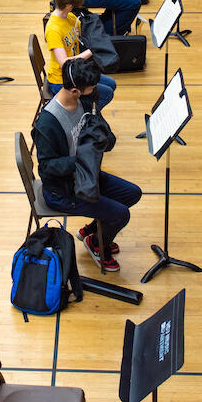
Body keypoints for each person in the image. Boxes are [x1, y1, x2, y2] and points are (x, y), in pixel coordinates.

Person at [32, 57, 140, 272]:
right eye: (91, 87)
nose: (95, 90)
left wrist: (104, 138)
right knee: (121, 214)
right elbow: (46, 168)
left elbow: (100, 132)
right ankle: (96, 244)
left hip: (86, 176)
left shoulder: (83, 101)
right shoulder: (47, 122)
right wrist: (81, 160)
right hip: (63, 192)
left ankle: (92, 231)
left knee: (132, 194)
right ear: (74, 90)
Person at [44, 0, 115, 110]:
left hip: (77, 71)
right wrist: (91, 51)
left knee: (112, 84)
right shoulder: (53, 29)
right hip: (62, 80)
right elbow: (64, 63)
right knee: (107, 94)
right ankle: (84, 116)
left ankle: (87, 111)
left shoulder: (69, 17)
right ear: (69, 6)